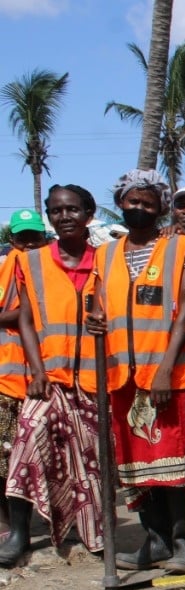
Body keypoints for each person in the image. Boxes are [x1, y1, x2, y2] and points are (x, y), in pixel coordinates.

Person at [0, 187, 105, 567]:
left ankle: (93, 532)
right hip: (50, 377)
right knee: (27, 443)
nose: (64, 216)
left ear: (88, 213)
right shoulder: (34, 262)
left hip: (96, 380)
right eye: (56, 210)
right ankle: (20, 534)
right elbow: (25, 319)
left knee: (90, 460)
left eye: (72, 209)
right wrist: (38, 371)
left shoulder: (107, 260)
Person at [99, 170, 185, 572]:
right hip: (122, 376)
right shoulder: (105, 254)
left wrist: (164, 370)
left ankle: (183, 544)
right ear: (121, 202)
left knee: (173, 465)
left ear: (160, 206)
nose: (138, 208)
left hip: (166, 377)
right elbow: (100, 304)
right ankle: (154, 541)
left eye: (147, 202)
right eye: (131, 201)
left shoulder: (181, 248)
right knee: (136, 469)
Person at [0, 209, 49, 531]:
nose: (29, 243)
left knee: (43, 455)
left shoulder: (47, 267)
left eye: (35, 237)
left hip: (42, 375)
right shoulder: (7, 267)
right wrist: (22, 315)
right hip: (6, 377)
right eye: (23, 238)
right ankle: (7, 525)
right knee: (5, 457)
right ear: (12, 239)